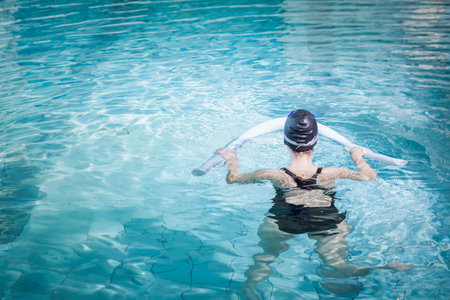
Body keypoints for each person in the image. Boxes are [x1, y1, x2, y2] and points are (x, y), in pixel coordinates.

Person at [217, 109, 412, 298]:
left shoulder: (273, 175)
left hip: (284, 217)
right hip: (325, 219)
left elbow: (233, 179)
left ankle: (249, 290)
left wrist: (232, 160)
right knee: (337, 265)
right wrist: (358, 158)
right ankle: (384, 268)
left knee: (264, 260)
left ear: (285, 143)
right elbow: (370, 177)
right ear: (315, 143)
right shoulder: (334, 172)